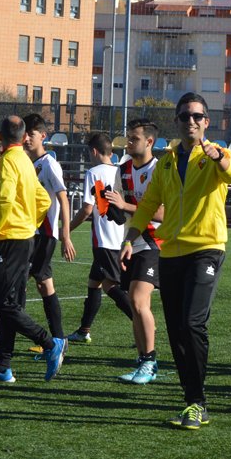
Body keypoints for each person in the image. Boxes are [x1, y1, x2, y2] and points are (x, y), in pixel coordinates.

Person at [121, 92, 231, 429]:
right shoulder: (167, 162)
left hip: (206, 248)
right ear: (177, 122)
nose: (191, 121)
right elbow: (148, 205)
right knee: (176, 329)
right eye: (185, 116)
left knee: (192, 323)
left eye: (197, 116)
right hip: (170, 251)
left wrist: (219, 158)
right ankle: (191, 400)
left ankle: (198, 401)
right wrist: (130, 239)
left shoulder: (218, 154)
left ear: (206, 122)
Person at [0, 115, 67, 383]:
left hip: (9, 239)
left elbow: (3, 201)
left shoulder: (7, 161)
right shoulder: (26, 161)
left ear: (0, 137)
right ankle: (3, 367)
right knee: (9, 304)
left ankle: (50, 344)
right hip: (24, 237)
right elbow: (41, 199)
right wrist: (30, 222)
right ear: (24, 136)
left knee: (2, 304)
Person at [68, 133, 133, 343]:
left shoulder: (93, 173)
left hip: (105, 240)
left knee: (110, 286)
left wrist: (67, 229)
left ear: (94, 152)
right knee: (94, 283)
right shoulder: (121, 172)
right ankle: (84, 330)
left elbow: (87, 209)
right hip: (121, 237)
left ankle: (143, 323)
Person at [109, 119, 161, 384]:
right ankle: (144, 360)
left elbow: (164, 213)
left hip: (154, 243)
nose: (128, 143)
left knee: (139, 301)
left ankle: (150, 360)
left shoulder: (160, 169)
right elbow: (120, 215)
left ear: (149, 141)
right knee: (135, 302)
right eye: (128, 138)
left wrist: (126, 206)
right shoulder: (123, 169)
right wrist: (110, 207)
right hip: (130, 242)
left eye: (134, 139)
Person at [23, 113, 76, 355]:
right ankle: (57, 339)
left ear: (42, 136)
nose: (26, 139)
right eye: (24, 134)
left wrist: (65, 235)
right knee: (44, 285)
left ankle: (9, 338)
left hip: (44, 235)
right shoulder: (27, 163)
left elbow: (64, 199)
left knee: (20, 280)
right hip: (31, 233)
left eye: (31, 135)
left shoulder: (49, 164)